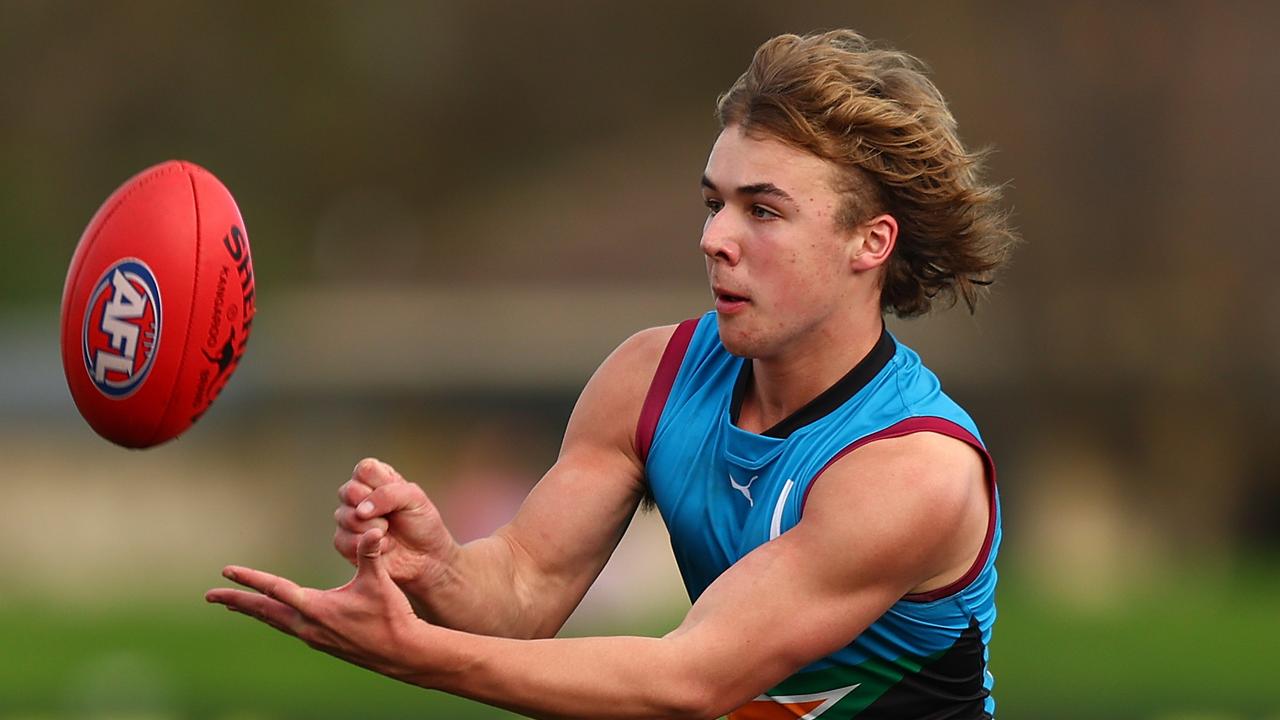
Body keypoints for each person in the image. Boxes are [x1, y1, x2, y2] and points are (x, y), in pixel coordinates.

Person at [207, 29, 1017, 719]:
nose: (715, 239)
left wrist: (414, 652)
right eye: (714, 203)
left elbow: (689, 681)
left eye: (762, 210)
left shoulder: (913, 470)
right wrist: (440, 569)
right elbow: (524, 585)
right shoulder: (650, 377)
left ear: (870, 244)